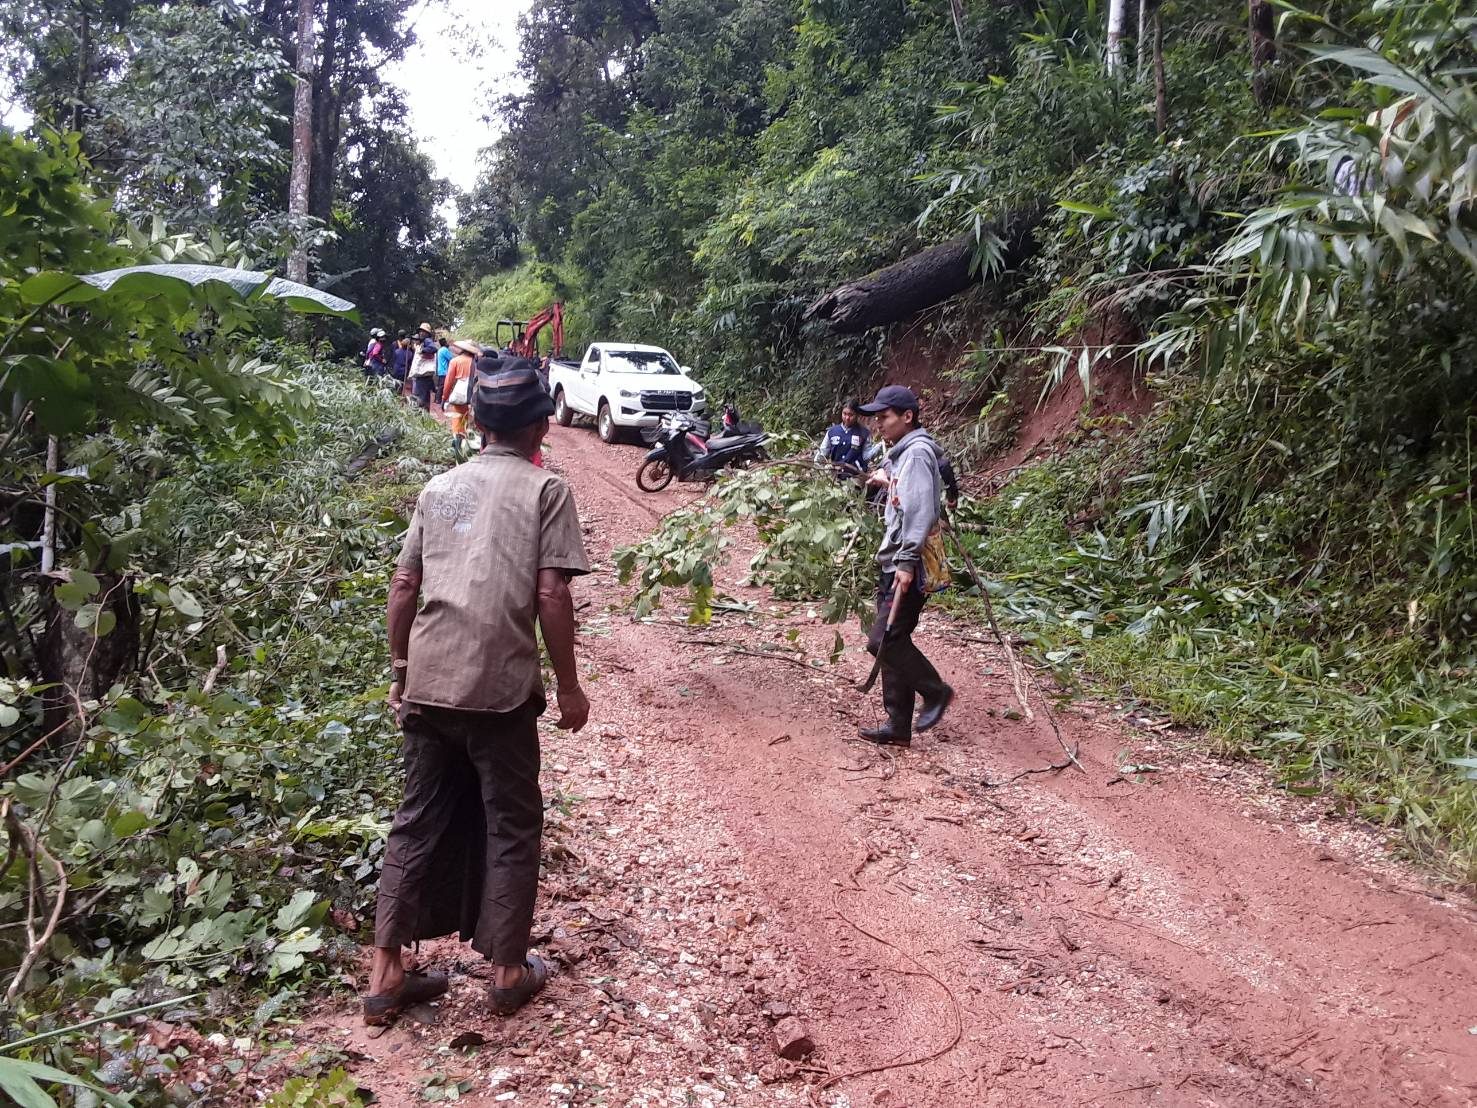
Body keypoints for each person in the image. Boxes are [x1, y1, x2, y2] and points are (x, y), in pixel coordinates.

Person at [364, 360, 591, 1026]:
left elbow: (403, 586)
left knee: (415, 821)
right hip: (500, 691)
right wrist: (570, 687)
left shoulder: (439, 488)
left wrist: (400, 672)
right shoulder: (547, 490)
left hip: (430, 682)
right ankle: (507, 972)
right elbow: (551, 595)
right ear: (540, 425)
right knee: (512, 822)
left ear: (481, 425)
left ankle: (384, 976)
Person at [856, 385, 954, 748]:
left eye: (885, 417)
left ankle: (936, 691)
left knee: (884, 640)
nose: (879, 424)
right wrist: (886, 476)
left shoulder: (916, 454)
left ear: (907, 416)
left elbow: (920, 512)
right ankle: (898, 725)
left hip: (908, 564)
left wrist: (907, 562)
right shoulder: (903, 453)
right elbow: (904, 490)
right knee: (893, 639)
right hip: (897, 560)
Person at [442, 339, 481, 459]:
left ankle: (458, 452)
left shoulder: (455, 361)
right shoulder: (477, 363)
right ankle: (469, 450)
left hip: (460, 397)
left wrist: (444, 397)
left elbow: (448, 382)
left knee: (457, 422)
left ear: (463, 349)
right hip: (473, 397)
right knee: (468, 424)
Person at [814, 398, 870, 477]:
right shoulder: (832, 432)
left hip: (856, 476)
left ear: (857, 415)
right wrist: (818, 468)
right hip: (835, 476)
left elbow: (867, 456)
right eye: (844, 414)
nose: (847, 418)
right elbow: (823, 452)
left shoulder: (863, 433)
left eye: (851, 415)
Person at [408, 324, 439, 410]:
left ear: (427, 333)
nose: (421, 333)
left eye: (424, 332)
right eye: (420, 331)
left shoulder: (427, 341)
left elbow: (433, 348)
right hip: (424, 377)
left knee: (420, 399)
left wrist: (422, 350)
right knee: (424, 398)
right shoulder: (423, 343)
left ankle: (421, 414)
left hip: (423, 377)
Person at [435, 335, 454, 411]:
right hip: (444, 371)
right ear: (444, 343)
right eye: (446, 342)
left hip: (440, 370)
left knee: (440, 385)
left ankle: (437, 399)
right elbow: (451, 358)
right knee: (442, 386)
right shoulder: (445, 350)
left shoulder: (440, 350)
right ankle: (438, 400)